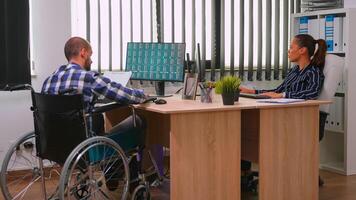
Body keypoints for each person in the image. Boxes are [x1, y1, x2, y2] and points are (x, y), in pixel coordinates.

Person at [41, 36, 147, 191]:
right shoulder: (88, 77)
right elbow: (124, 95)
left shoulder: (49, 80)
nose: (91, 60)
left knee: (98, 120)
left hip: (55, 145)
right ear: (83, 52)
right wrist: (143, 95)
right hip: (85, 146)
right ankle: (126, 176)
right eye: (90, 55)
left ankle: (113, 172)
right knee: (138, 121)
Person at [240, 34, 326, 99]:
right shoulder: (294, 70)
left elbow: (312, 93)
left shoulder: (313, 71)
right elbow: (278, 91)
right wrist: (251, 91)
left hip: (300, 113)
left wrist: (283, 95)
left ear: (302, 50)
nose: (288, 51)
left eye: (291, 47)